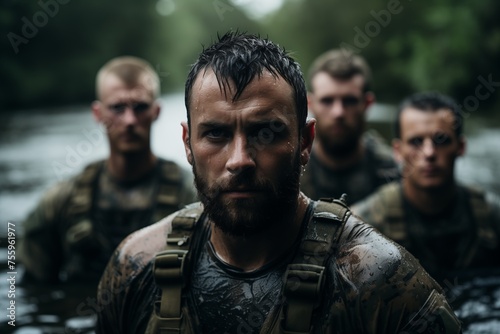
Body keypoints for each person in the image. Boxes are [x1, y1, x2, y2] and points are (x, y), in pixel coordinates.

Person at [96, 33, 461, 334]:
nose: (240, 159)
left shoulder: (380, 282)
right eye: (217, 134)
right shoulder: (136, 267)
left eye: (265, 133)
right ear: (188, 144)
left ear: (305, 142)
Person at [19, 56, 197, 284]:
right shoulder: (62, 201)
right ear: (98, 114)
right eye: (117, 108)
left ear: (156, 111)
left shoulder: (191, 195)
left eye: (140, 107)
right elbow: (31, 289)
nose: (130, 120)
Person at [352, 91, 500, 279]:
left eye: (442, 140)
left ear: (460, 147)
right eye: (416, 141)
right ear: (397, 151)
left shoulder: (490, 218)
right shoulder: (366, 224)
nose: (429, 153)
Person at [301, 49, 399, 204]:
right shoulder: (291, 171)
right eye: (327, 101)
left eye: (350, 101)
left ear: (367, 104)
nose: (338, 112)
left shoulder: (393, 173)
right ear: (310, 104)